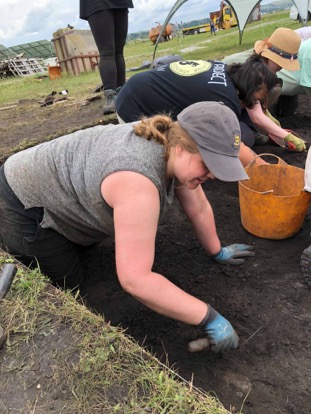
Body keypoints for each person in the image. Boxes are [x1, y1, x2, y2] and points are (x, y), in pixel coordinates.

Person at [0, 101, 255, 353]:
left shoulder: (170, 140)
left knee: (91, 243)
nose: (212, 175)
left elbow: (197, 206)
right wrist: (208, 317)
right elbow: (135, 279)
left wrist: (217, 250)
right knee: (69, 284)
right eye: (209, 164)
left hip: (58, 183)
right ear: (181, 148)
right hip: (20, 202)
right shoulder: (138, 181)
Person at [116, 55, 305, 164]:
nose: (253, 104)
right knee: (165, 160)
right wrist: (266, 169)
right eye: (255, 98)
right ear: (248, 89)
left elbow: (253, 112)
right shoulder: (225, 100)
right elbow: (235, 147)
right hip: (133, 107)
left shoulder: (227, 71)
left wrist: (283, 134)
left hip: (139, 86)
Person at [222, 27, 306, 120]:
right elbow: (254, 111)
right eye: (281, 62)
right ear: (272, 57)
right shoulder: (253, 72)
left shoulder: (260, 66)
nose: (282, 67)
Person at [79, 0, 134, 115]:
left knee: (119, 51)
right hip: (97, 3)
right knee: (107, 51)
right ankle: (110, 96)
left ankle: (121, 93)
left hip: (120, 3)